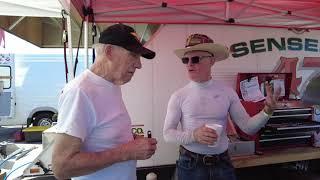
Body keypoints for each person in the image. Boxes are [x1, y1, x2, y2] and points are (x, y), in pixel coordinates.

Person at [163, 34, 279, 180]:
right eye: (186, 60)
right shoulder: (178, 96)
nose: (189, 64)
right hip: (191, 165)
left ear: (211, 61)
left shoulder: (227, 92)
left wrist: (267, 111)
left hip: (222, 163)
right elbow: (167, 134)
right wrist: (194, 135)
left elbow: (248, 127)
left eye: (195, 59)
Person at [52, 24, 157, 180]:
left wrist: (128, 140)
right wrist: (127, 151)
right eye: (133, 55)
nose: (139, 64)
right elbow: (61, 167)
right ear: (109, 51)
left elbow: (102, 137)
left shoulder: (111, 85)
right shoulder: (80, 92)